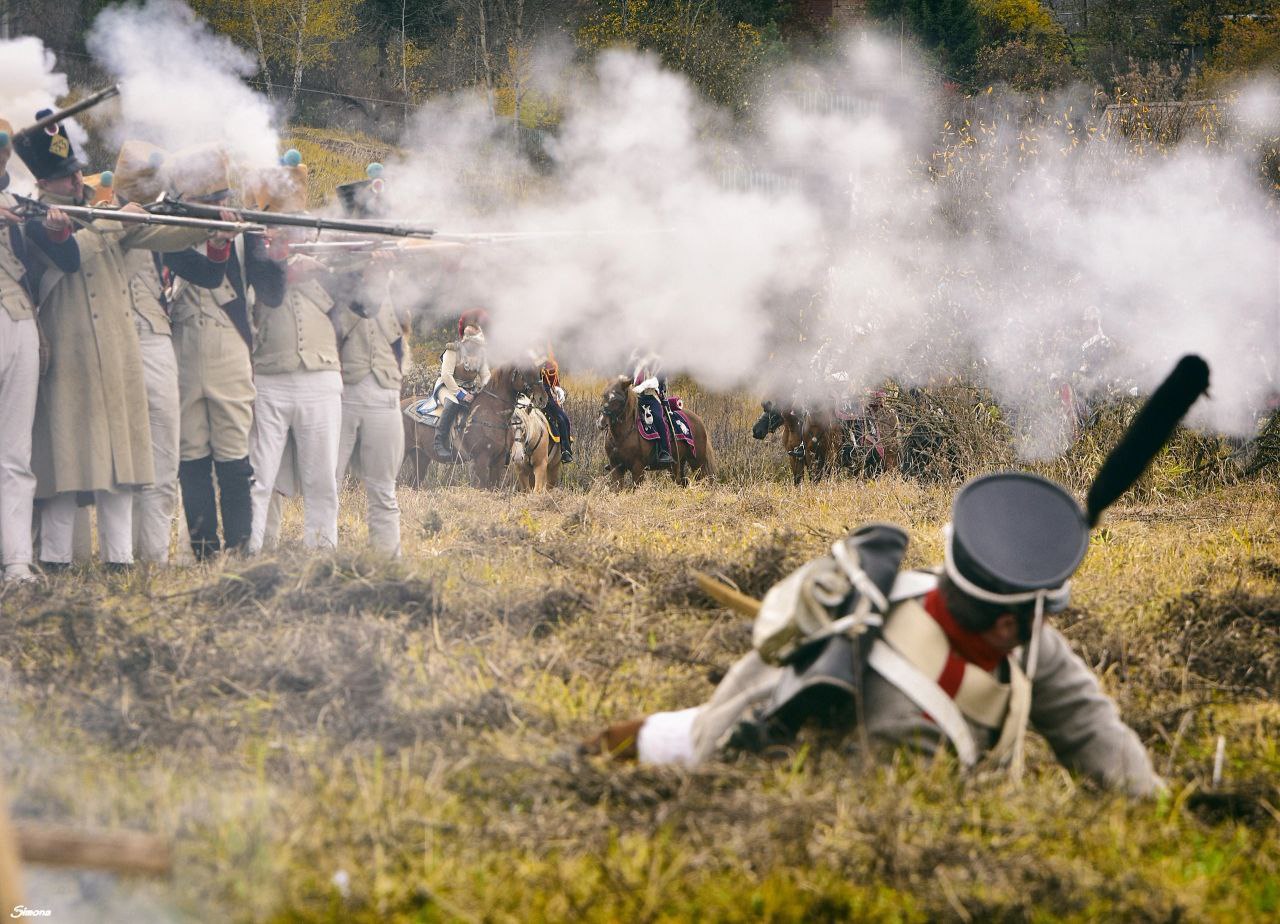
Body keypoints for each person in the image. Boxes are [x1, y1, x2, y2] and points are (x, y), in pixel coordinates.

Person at [584, 472, 1161, 798]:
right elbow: (903, 828)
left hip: (760, 700)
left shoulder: (1011, 628)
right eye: (1044, 613)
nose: (1050, 626)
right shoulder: (902, 726)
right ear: (1007, 623)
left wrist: (1151, 804)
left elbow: (1090, 725)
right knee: (693, 737)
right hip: (756, 745)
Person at [15, 114, 205, 571]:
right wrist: (115, 223)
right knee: (65, 467)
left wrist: (209, 224)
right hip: (70, 352)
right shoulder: (35, 215)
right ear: (44, 181)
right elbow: (67, 254)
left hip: (118, 350)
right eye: (65, 175)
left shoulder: (98, 211)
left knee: (121, 466)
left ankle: (120, 563)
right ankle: (57, 562)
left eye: (77, 171)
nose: (76, 179)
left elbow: (162, 234)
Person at [164, 144, 284, 560]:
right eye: (209, 201)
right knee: (191, 457)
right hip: (181, 348)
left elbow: (271, 292)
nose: (220, 207)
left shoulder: (243, 230)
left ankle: (238, 552)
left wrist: (275, 250)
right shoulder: (169, 230)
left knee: (234, 459)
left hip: (230, 349)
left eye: (222, 198)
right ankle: (202, 553)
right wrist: (214, 241)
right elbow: (201, 271)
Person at [244, 150, 344, 554]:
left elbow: (360, 302)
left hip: (321, 377)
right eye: (281, 226)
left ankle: (323, 551)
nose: (290, 233)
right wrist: (283, 265)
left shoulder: (330, 256)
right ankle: (251, 549)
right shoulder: (253, 257)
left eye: (296, 226)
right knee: (259, 477)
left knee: (322, 480)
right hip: (268, 376)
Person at [0, 116, 77, 583]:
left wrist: (55, 231)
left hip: (18, 322)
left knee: (14, 453)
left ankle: (15, 561)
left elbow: (65, 261)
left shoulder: (17, 203)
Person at [330, 170, 408, 555]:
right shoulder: (335, 269)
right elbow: (344, 320)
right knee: (328, 486)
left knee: (384, 490)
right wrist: (368, 273)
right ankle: (322, 560)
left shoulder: (390, 272)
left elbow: (400, 332)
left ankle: (389, 561)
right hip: (344, 387)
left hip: (386, 387)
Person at [432, 308, 491, 459]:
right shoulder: (452, 350)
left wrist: (485, 389)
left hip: (470, 389)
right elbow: (446, 375)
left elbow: (485, 375)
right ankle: (439, 442)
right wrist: (460, 394)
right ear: (466, 341)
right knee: (452, 403)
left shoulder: (481, 354)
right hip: (447, 387)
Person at [630, 348, 673, 467]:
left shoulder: (659, 363)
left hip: (652, 397)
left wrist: (642, 386)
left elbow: (655, 381)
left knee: (658, 418)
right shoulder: (636, 364)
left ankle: (665, 451)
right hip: (636, 398)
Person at [535, 347, 573, 463]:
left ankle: (565, 450)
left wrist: (557, 388)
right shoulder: (525, 360)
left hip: (546, 395)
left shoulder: (548, 362)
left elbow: (552, 381)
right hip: (528, 393)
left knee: (563, 419)